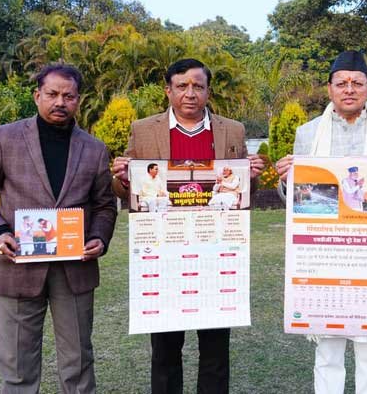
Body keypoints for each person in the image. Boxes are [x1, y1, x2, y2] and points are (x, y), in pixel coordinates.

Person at [111, 58, 265, 394]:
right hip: (164, 252)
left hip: (217, 251)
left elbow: (243, 192)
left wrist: (251, 175)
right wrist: (123, 178)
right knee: (165, 348)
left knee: (215, 348)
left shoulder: (233, 130)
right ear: (168, 91)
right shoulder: (143, 129)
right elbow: (128, 191)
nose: (190, 93)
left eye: (198, 86)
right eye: (182, 86)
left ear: (208, 91)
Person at [0, 63, 117, 393]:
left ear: (78, 100)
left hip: (75, 268)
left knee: (78, 365)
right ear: (37, 96)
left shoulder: (94, 148)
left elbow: (104, 205)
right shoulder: (4, 138)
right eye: (52, 94)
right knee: (17, 368)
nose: (60, 102)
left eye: (68, 96)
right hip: (17, 265)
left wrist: (99, 238)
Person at [275, 50, 367, 394]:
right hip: (325, 250)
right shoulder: (308, 132)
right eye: (341, 83)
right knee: (327, 347)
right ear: (329, 88)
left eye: (357, 82)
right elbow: (297, 199)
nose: (349, 89)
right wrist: (286, 181)